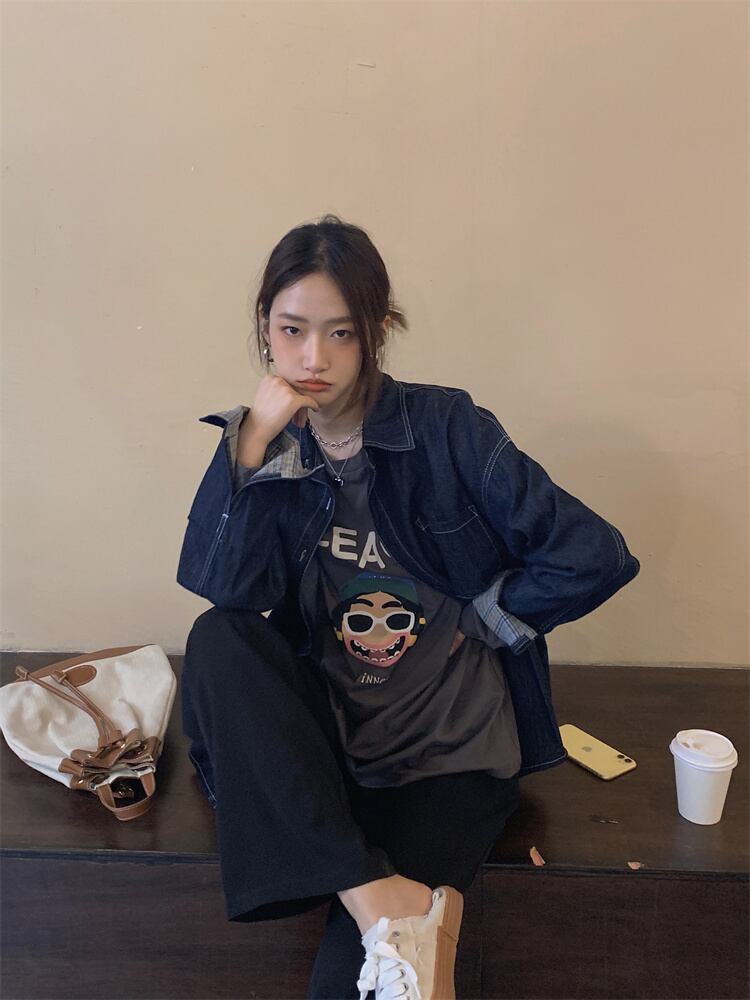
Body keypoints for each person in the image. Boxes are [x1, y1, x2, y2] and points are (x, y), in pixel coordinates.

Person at [176, 214, 640, 999]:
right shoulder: (272, 446)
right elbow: (228, 590)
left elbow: (595, 552)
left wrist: (487, 618)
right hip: (334, 745)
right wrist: (250, 446)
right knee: (217, 638)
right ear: (265, 329)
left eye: (341, 333)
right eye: (291, 330)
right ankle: (380, 896)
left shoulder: (447, 428)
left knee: (343, 986)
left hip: (447, 758)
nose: (313, 358)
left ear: (377, 333)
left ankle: (375, 898)